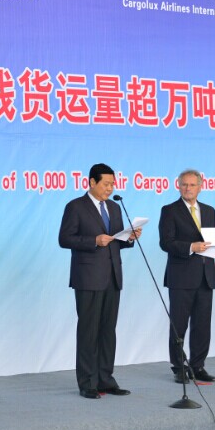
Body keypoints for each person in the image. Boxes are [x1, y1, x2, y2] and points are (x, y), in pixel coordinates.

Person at [58, 163, 141, 399]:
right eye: (106, 184)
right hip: (88, 278)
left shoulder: (114, 207)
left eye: (112, 184)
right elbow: (65, 239)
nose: (110, 188)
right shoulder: (76, 206)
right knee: (88, 331)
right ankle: (87, 382)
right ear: (92, 182)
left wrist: (129, 238)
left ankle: (105, 379)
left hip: (112, 276)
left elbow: (115, 241)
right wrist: (94, 240)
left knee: (107, 331)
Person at [158, 169, 215, 383]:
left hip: (205, 276)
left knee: (202, 325)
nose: (188, 188)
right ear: (178, 186)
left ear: (200, 187)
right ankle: (179, 367)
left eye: (192, 185)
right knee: (178, 325)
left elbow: (214, 242)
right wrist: (191, 246)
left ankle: (198, 366)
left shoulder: (209, 210)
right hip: (181, 277)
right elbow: (166, 243)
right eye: (184, 184)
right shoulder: (169, 210)